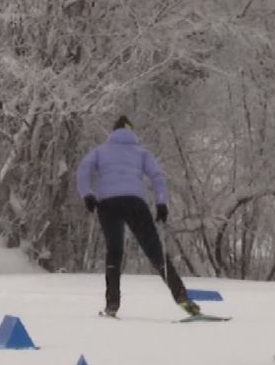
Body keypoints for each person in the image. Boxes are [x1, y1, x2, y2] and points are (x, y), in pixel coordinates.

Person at [76, 115, 200, 318]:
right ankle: (182, 299)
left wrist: (87, 195)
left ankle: (112, 305)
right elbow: (157, 177)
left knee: (114, 252)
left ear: (113, 132)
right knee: (155, 251)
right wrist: (161, 203)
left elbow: (83, 170)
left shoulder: (100, 151)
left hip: (107, 204)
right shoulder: (141, 152)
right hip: (135, 203)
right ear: (131, 132)